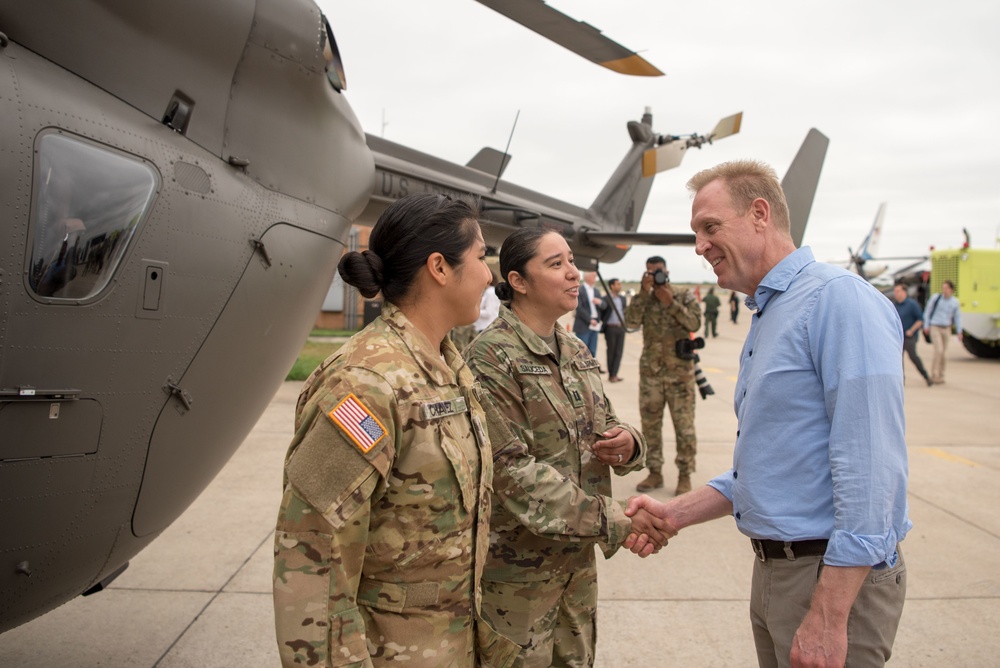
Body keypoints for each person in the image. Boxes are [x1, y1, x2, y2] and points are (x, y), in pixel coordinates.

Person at [626, 160, 910, 667]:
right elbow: (770, 465)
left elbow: (872, 472)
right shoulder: (772, 310)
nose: (700, 246)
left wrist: (828, 614)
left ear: (760, 213)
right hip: (779, 571)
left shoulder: (836, 301)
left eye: (710, 227)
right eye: (696, 232)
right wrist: (677, 512)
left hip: (827, 578)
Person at [272, 193, 518, 667]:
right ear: (439, 268)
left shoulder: (446, 365)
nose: (489, 274)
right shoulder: (366, 384)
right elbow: (313, 557)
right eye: (482, 256)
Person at [464, 227, 665, 667]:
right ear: (518, 281)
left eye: (572, 261)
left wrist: (629, 444)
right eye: (556, 264)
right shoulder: (490, 357)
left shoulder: (574, 350)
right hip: (517, 580)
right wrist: (619, 519)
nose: (574, 273)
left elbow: (606, 424)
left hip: (575, 569)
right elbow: (512, 474)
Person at [624, 256, 701, 495]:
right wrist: (642, 293)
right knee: (650, 426)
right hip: (651, 374)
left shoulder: (682, 294)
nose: (655, 276)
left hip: (680, 375)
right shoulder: (643, 298)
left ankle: (685, 475)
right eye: (650, 272)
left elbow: (695, 322)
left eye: (658, 272)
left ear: (666, 271)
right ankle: (654, 472)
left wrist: (670, 303)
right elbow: (630, 321)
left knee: (684, 427)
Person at [922, 279, 963, 384]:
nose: (944, 290)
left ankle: (941, 373)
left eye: (946, 288)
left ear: (951, 290)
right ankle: (934, 374)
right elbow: (928, 311)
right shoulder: (936, 298)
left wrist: (959, 331)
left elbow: (957, 317)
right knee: (938, 350)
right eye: (943, 288)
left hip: (946, 328)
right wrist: (926, 325)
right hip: (935, 326)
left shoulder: (955, 302)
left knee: (944, 353)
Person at [892, 282, 932, 386]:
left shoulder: (912, 304)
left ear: (904, 292)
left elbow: (920, 319)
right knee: (897, 360)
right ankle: (901, 382)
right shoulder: (894, 305)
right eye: (895, 291)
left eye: (898, 291)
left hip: (909, 336)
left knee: (913, 357)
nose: (896, 293)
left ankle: (926, 376)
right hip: (897, 338)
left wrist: (911, 330)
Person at [600, 277, 628, 382]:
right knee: (611, 352)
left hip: (621, 328)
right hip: (610, 328)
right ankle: (611, 374)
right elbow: (602, 312)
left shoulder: (623, 299)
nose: (620, 286)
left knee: (619, 352)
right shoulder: (606, 299)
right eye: (618, 284)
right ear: (612, 286)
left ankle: (615, 374)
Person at [572, 271, 602, 357]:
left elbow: (604, 305)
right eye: (594, 276)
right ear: (587, 277)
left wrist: (600, 302)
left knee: (592, 350)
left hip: (595, 324)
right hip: (583, 324)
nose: (595, 278)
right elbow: (579, 307)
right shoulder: (579, 290)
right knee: (582, 351)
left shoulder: (596, 291)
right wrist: (590, 320)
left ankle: (592, 370)